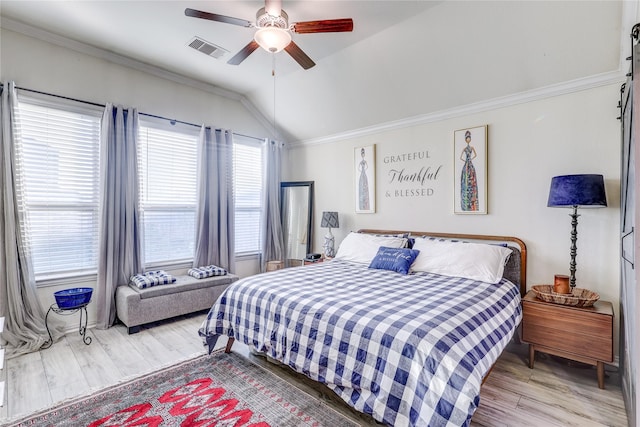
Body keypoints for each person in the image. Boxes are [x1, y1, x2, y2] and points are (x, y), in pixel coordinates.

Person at [460, 130, 478, 211]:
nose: (468, 140)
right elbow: (460, 157)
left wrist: (470, 159)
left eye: (469, 138)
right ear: (465, 139)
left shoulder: (472, 148)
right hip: (467, 165)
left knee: (472, 180)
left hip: (469, 164)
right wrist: (466, 161)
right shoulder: (464, 149)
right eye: (467, 138)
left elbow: (475, 155)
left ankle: (472, 203)